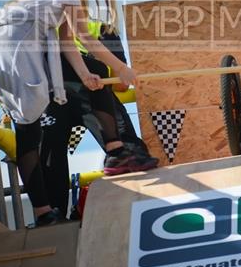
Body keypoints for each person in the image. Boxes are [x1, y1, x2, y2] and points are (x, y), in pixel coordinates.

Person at [0, 0, 149, 226]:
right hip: (16, 42)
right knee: (29, 124)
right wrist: (121, 68)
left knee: (34, 121)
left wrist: (85, 74)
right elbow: (83, 35)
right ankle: (46, 209)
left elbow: (67, 39)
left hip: (31, 42)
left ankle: (49, 210)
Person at [40, 26, 158, 217]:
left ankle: (52, 217)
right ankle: (146, 205)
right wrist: (113, 66)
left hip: (49, 87)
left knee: (50, 158)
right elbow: (121, 84)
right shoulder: (102, 26)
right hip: (89, 88)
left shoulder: (47, 22)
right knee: (128, 151)